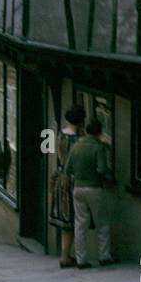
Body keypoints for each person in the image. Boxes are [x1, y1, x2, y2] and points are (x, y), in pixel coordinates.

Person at [65, 119, 116, 269]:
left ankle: (81, 259)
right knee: (102, 223)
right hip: (94, 188)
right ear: (99, 133)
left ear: (87, 131)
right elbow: (101, 169)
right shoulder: (98, 147)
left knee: (80, 224)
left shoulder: (76, 146)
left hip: (78, 188)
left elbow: (68, 169)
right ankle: (104, 256)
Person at [49, 105, 86, 267]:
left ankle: (65, 255)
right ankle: (71, 256)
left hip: (61, 178)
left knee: (66, 221)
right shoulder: (80, 139)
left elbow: (60, 155)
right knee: (75, 219)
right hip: (73, 180)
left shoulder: (60, 135)